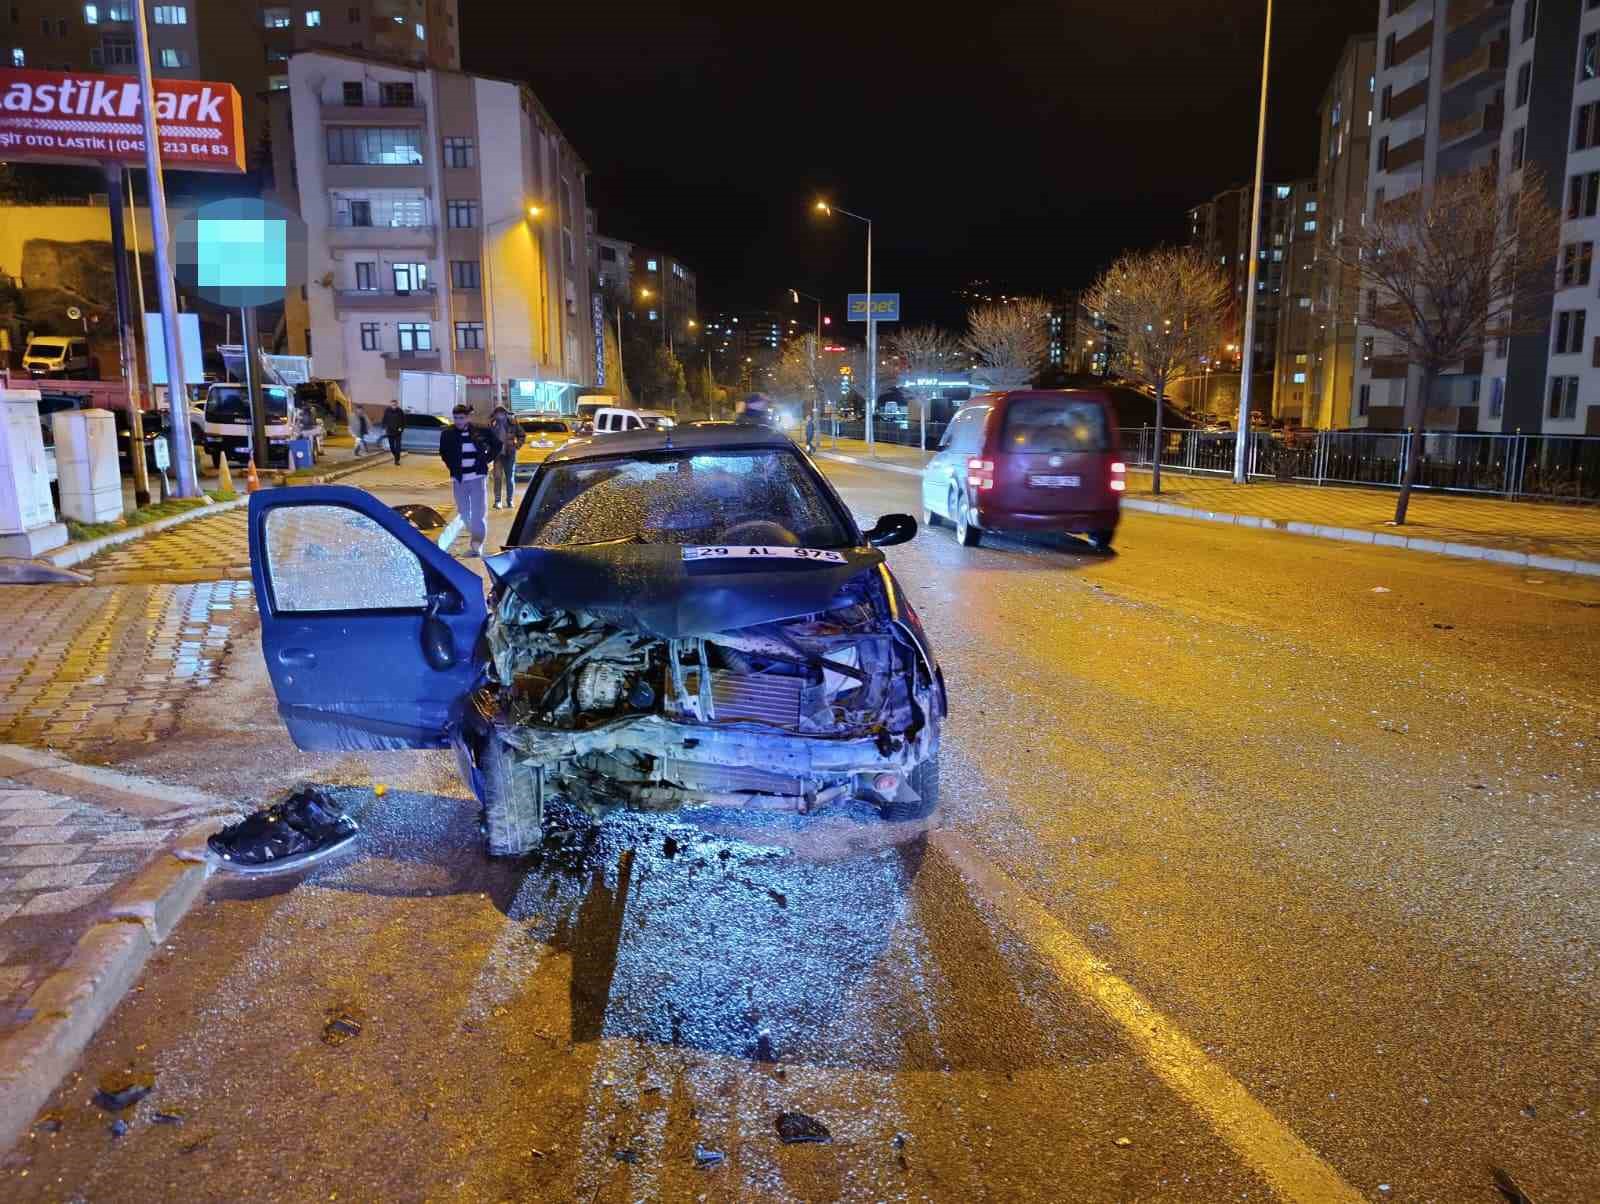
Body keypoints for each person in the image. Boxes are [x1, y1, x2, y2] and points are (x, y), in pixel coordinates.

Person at [439, 403, 502, 557]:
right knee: (464, 512)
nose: (458, 421)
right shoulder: (448, 434)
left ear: (468, 417)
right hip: (459, 479)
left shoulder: (480, 431)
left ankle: (476, 545)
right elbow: (444, 453)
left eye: (461, 418)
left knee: (478, 513)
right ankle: (474, 534)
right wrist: (452, 467)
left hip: (477, 477)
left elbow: (497, 444)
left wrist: (486, 459)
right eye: (456, 418)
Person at [488, 404, 524, 509]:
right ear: (495, 414)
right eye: (497, 413)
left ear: (505, 413)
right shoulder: (492, 424)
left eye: (501, 413)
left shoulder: (512, 423)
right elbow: (487, 438)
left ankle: (509, 500)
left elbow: (521, 435)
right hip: (497, 455)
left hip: (509, 454)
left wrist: (516, 445)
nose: (499, 415)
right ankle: (497, 501)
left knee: (509, 478)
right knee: (497, 477)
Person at [382, 400, 405, 465]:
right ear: (390, 405)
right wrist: (384, 427)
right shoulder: (387, 411)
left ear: (397, 405)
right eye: (392, 405)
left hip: (398, 433)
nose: (394, 406)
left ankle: (397, 460)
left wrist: (401, 428)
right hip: (390, 432)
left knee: (398, 447)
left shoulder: (400, 411)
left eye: (395, 405)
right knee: (392, 447)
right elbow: (384, 420)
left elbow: (404, 421)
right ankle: (396, 456)